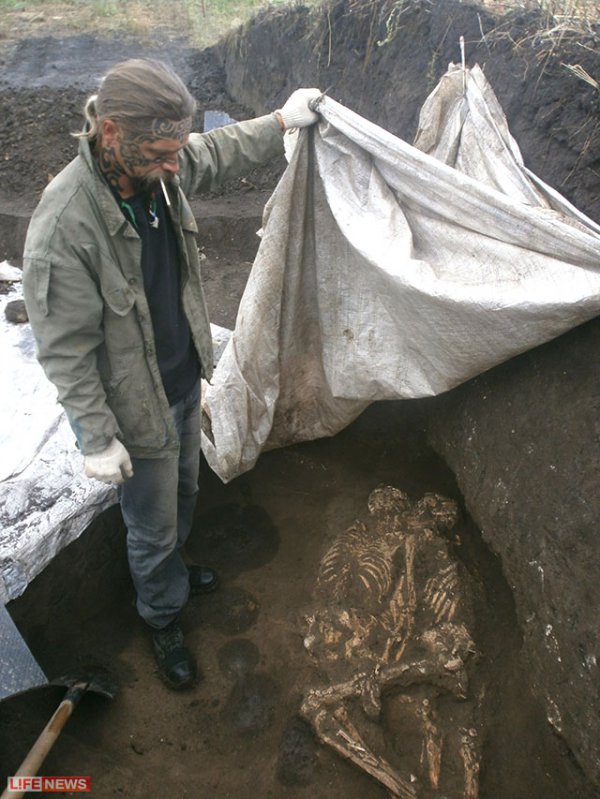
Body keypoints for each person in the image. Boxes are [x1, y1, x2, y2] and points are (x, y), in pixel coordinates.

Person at [22, 58, 321, 690]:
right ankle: (160, 614)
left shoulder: (156, 167)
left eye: (175, 150)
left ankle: (176, 572)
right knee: (150, 524)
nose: (173, 166)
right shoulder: (65, 225)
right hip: (137, 410)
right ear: (110, 134)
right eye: (159, 154)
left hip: (183, 381)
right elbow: (65, 349)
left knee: (184, 496)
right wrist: (96, 435)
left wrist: (278, 122)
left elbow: (210, 151)